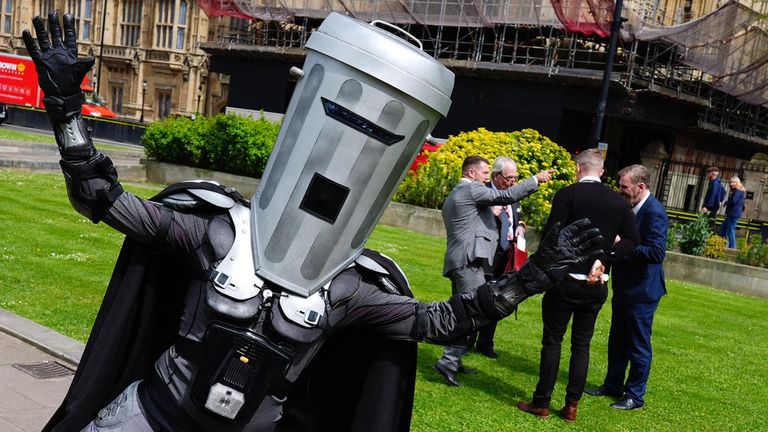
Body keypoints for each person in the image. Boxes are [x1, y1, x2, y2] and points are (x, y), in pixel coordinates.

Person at [26, 11, 605, 432]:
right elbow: (102, 197)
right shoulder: (214, 233)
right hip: (151, 419)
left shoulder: (351, 290)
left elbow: (446, 320)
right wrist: (65, 112)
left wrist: (533, 277)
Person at [517, 148, 639, 423]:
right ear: (601, 172)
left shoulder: (568, 194)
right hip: (597, 283)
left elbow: (552, 234)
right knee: (581, 345)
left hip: (565, 279)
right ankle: (572, 405)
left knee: (552, 340)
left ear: (578, 168)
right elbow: (632, 239)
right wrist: (605, 258)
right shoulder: (618, 202)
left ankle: (542, 402)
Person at [435, 156, 555, 386]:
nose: (486, 177)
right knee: (474, 311)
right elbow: (506, 196)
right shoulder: (470, 190)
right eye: (483, 173)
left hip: (463, 261)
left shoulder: (458, 192)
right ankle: (447, 361)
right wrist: (535, 180)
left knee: (464, 310)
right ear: (471, 173)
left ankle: (454, 360)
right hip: (468, 262)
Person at [585, 164, 668, 411]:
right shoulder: (628, 208)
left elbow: (656, 252)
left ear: (640, 187)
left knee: (637, 343)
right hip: (624, 287)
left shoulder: (654, 212)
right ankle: (612, 385)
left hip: (643, 291)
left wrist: (624, 244)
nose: (619, 191)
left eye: (624, 187)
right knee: (617, 340)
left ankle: (635, 395)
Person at [474, 156, 527, 359]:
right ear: (496, 176)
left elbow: (519, 217)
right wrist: (491, 212)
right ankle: (467, 338)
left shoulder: (512, 195)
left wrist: (521, 228)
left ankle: (485, 343)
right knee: (478, 297)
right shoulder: (483, 193)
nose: (512, 182)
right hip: (487, 255)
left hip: (507, 257)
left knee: (498, 299)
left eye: (515, 178)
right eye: (508, 178)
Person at [718, 176, 746, 248]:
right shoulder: (739, 191)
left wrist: (725, 203)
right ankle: (721, 243)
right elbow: (742, 205)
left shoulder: (738, 191)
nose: (732, 184)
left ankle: (732, 247)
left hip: (733, 214)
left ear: (738, 183)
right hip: (733, 214)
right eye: (731, 182)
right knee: (723, 228)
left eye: (734, 182)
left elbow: (733, 201)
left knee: (730, 230)